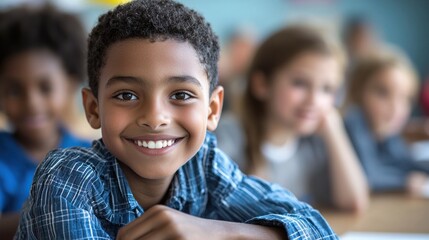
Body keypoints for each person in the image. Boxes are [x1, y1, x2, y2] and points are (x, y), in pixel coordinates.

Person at [15, 1, 337, 239]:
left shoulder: (205, 166)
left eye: (181, 95)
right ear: (94, 108)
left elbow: (317, 229)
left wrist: (214, 232)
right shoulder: (68, 180)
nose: (155, 118)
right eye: (127, 95)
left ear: (212, 110)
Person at [216, 25, 369, 212]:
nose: (314, 100)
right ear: (262, 84)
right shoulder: (228, 138)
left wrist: (335, 130)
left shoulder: (314, 143)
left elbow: (353, 202)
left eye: (327, 89)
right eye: (300, 83)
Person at [0, 4, 92, 239]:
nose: (32, 103)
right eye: (14, 90)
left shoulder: (92, 155)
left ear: (71, 84)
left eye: (45, 87)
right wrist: (52, 213)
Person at [343, 48, 429, 197]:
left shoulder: (386, 129)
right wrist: (405, 181)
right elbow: (368, 176)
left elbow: (404, 161)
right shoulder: (354, 121)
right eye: (383, 93)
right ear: (358, 91)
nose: (396, 107)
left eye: (405, 98)